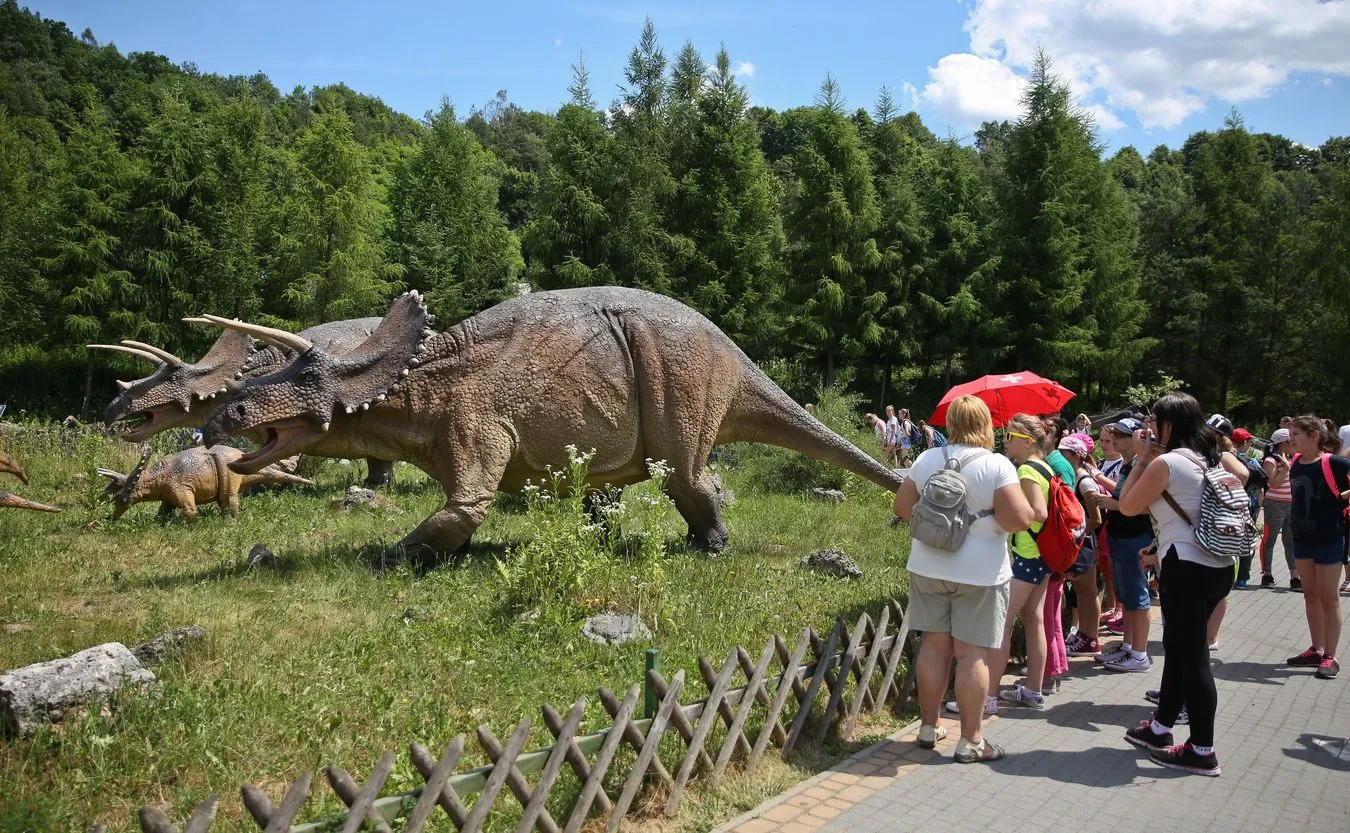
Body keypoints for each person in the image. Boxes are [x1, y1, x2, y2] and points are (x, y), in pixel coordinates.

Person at [893, 395, 1035, 763]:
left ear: (951, 422)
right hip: (981, 574)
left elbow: (903, 507)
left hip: (927, 566)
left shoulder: (927, 459)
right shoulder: (997, 465)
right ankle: (971, 740)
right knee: (972, 654)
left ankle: (928, 727)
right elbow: (1021, 519)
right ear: (986, 423)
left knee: (934, 647)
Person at [1117, 391, 1249, 776]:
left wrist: (1143, 457)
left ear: (1167, 426)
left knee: (1192, 659)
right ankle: (1160, 728)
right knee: (1178, 648)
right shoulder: (1210, 456)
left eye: (1153, 422)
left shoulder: (1169, 462)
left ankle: (1202, 750)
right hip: (1218, 565)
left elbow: (1127, 505)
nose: (1148, 428)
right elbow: (1238, 477)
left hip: (1187, 569)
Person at [983, 413, 1054, 711]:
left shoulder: (1026, 469)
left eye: (1010, 437)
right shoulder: (1045, 466)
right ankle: (1033, 690)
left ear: (1026, 441)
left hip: (1027, 554)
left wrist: (1009, 514)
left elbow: (1039, 513)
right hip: (1044, 555)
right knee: (1034, 619)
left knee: (1001, 623)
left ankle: (987, 697)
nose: (1005, 441)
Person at [1284, 415, 1347, 681]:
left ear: (1314, 436)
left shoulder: (1332, 462)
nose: (1291, 437)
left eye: (1296, 433)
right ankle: (1316, 649)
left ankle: (1331, 657)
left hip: (1329, 538)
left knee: (1328, 598)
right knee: (1310, 594)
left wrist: (1342, 498)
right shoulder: (1296, 462)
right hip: (1302, 538)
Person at [1093, 417, 1155, 672]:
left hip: (1135, 539)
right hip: (1120, 537)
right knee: (1126, 597)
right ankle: (1129, 646)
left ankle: (1139, 653)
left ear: (1137, 438)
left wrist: (1112, 504)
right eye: (1113, 434)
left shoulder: (1146, 467)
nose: (1115, 439)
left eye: (1120, 435)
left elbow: (1146, 505)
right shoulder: (1129, 466)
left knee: (1138, 598)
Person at [1062, 434, 1105, 658]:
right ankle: (1085, 635)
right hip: (1080, 542)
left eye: (1064, 453)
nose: (1060, 457)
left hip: (1085, 543)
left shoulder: (1084, 481)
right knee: (1081, 591)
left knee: (1089, 591)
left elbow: (1096, 518)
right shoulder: (1074, 477)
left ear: (1076, 456)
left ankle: (1092, 638)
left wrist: (1076, 536)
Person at [1260, 429, 1295, 588]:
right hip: (1274, 504)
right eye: (1290, 441)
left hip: (1290, 505)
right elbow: (1274, 484)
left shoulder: (1291, 458)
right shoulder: (1270, 460)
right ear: (1282, 443)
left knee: (1290, 540)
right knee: (1270, 539)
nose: (1293, 444)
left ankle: (1295, 576)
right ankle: (1267, 574)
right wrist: (1285, 468)